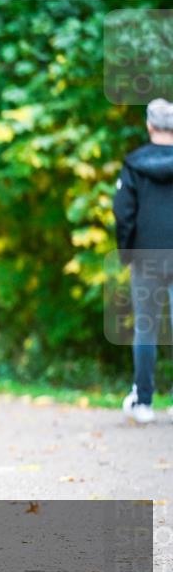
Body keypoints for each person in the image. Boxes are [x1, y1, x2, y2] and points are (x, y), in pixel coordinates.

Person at [115, 98, 173, 424]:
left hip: (146, 255)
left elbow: (123, 213)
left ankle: (144, 404)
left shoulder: (134, 164)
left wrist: (127, 252)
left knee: (146, 328)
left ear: (150, 126)